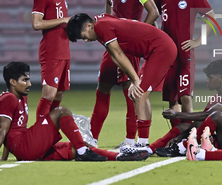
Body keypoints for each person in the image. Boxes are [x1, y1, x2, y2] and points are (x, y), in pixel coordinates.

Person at [65, 13, 177, 148]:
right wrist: (133, 79)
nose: (86, 41)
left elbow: (118, 53)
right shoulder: (100, 23)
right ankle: (143, 141)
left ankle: (141, 144)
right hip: (156, 49)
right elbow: (114, 56)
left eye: (84, 37)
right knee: (138, 94)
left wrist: (135, 80)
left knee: (139, 94)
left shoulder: (101, 27)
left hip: (161, 49)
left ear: (89, 26)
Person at [0, 62, 149, 162]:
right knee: (62, 111)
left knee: (77, 146)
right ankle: (84, 151)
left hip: (25, 148)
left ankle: (120, 156)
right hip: (24, 146)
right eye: (24, 80)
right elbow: (2, 130)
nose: (29, 84)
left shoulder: (19, 97)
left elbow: (8, 132)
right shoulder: (9, 98)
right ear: (12, 82)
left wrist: (4, 158)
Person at [92, 0, 160, 149]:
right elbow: (107, 12)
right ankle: (91, 139)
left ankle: (131, 141)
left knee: (130, 92)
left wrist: (137, 36)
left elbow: (154, 11)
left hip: (128, 49)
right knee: (102, 89)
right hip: (112, 46)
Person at [121, 60, 222, 156]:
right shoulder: (215, 98)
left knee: (216, 116)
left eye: (210, 77)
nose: (207, 80)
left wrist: (176, 115)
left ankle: (182, 148)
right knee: (184, 126)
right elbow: (201, 121)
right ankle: (149, 149)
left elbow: (208, 116)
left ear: (221, 78)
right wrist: (182, 135)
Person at [154, 0, 216, 128]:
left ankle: (191, 137)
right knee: (172, 101)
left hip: (184, 54)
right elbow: (152, 16)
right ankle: (177, 138)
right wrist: (158, 39)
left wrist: (197, 40)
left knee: (185, 97)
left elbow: (211, 17)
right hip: (167, 56)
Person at [31, 0, 72, 121]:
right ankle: (39, 132)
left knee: (59, 93)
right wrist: (63, 20)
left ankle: (49, 131)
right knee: (49, 93)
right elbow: (36, 23)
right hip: (51, 51)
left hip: (64, 51)